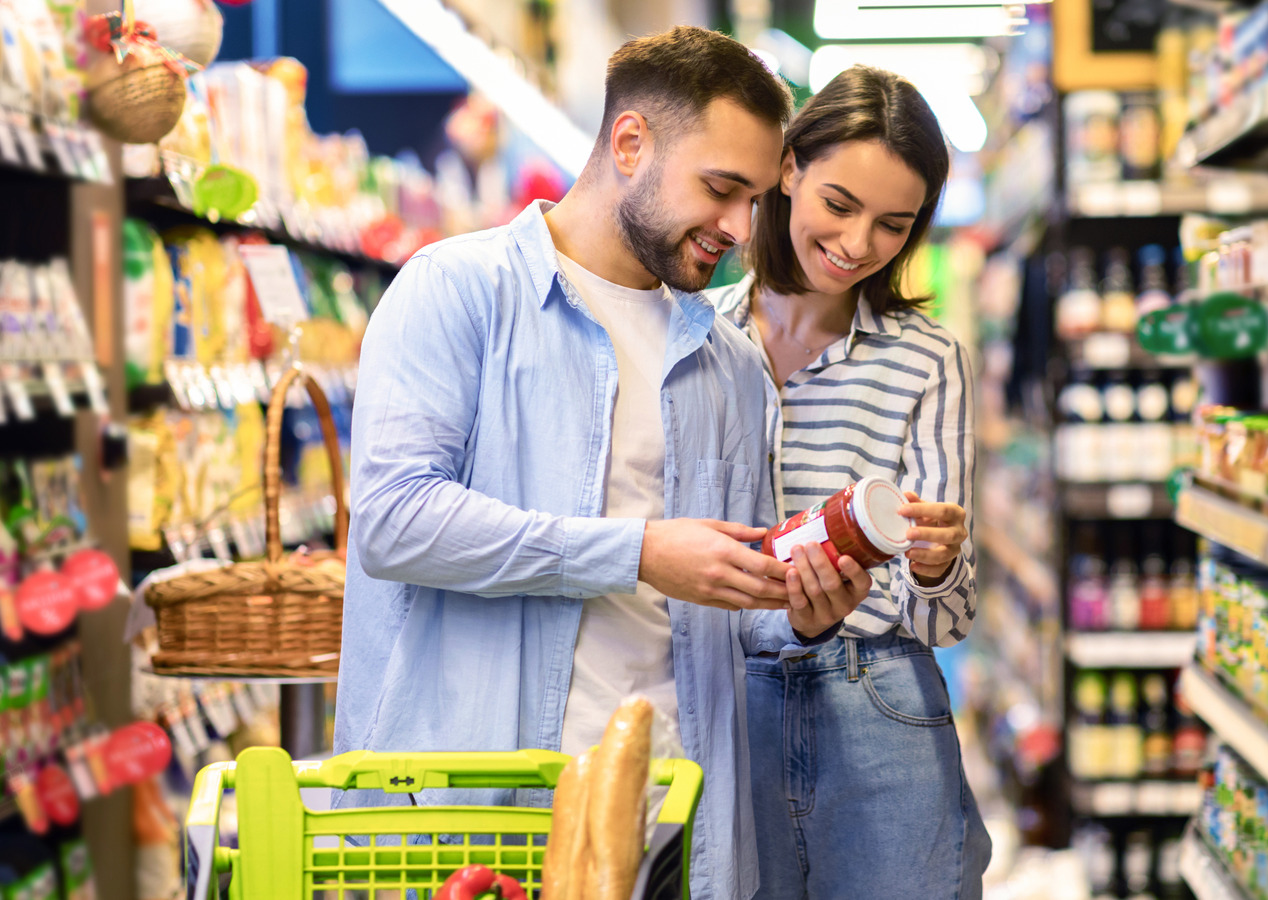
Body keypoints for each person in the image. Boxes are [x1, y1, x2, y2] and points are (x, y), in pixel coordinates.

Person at [333, 27, 867, 900]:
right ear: (630, 144)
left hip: (672, 823)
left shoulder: (731, 367)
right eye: (721, 189)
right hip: (477, 818)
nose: (739, 229)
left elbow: (732, 613)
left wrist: (803, 613)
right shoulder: (457, 291)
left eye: (757, 200)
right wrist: (637, 550)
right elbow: (395, 522)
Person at [707, 65, 992, 899]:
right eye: (839, 204)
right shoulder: (697, 338)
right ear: (788, 169)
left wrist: (938, 564)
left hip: (881, 703)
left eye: (893, 224)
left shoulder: (927, 359)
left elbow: (949, 621)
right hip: (728, 701)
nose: (859, 243)